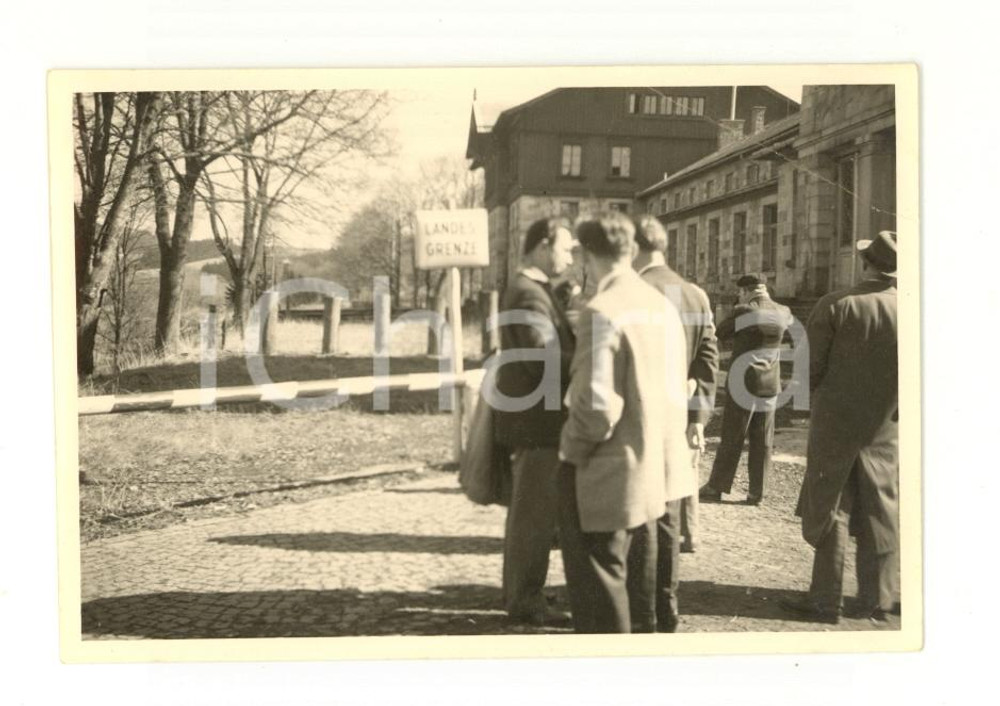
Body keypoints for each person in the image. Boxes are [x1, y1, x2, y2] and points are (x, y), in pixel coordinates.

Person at [557, 212, 690, 633]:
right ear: (631, 250)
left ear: (587, 255)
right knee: (639, 602)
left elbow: (596, 405)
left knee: (599, 602)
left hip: (607, 473)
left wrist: (570, 454)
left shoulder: (602, 310)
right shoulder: (662, 307)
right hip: (652, 476)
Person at [783, 230, 900, 624]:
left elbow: (809, 369)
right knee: (881, 509)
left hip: (835, 423)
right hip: (887, 427)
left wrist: (806, 404)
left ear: (865, 263)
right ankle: (877, 600)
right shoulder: (915, 309)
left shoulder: (836, 305)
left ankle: (825, 600)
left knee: (832, 504)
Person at [632, 216, 719, 632]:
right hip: (676, 421)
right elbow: (707, 360)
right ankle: (666, 608)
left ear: (634, 248)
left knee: (634, 516)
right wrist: (697, 418)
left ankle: (637, 609)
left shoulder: (630, 292)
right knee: (668, 515)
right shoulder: (695, 294)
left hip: (635, 420)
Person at [493, 217, 577, 626]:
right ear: (543, 246)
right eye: (565, 248)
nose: (570, 255)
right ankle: (525, 600)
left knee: (529, 512)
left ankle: (521, 591)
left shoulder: (532, 289)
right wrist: (589, 362)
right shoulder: (529, 295)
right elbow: (539, 360)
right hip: (538, 422)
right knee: (533, 517)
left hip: (534, 419)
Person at [699, 273, 792, 506]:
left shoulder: (744, 311)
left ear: (746, 291)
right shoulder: (783, 311)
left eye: (740, 292)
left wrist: (737, 308)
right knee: (763, 438)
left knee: (733, 434)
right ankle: (756, 493)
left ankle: (716, 486)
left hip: (744, 380)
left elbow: (721, 332)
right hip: (770, 381)